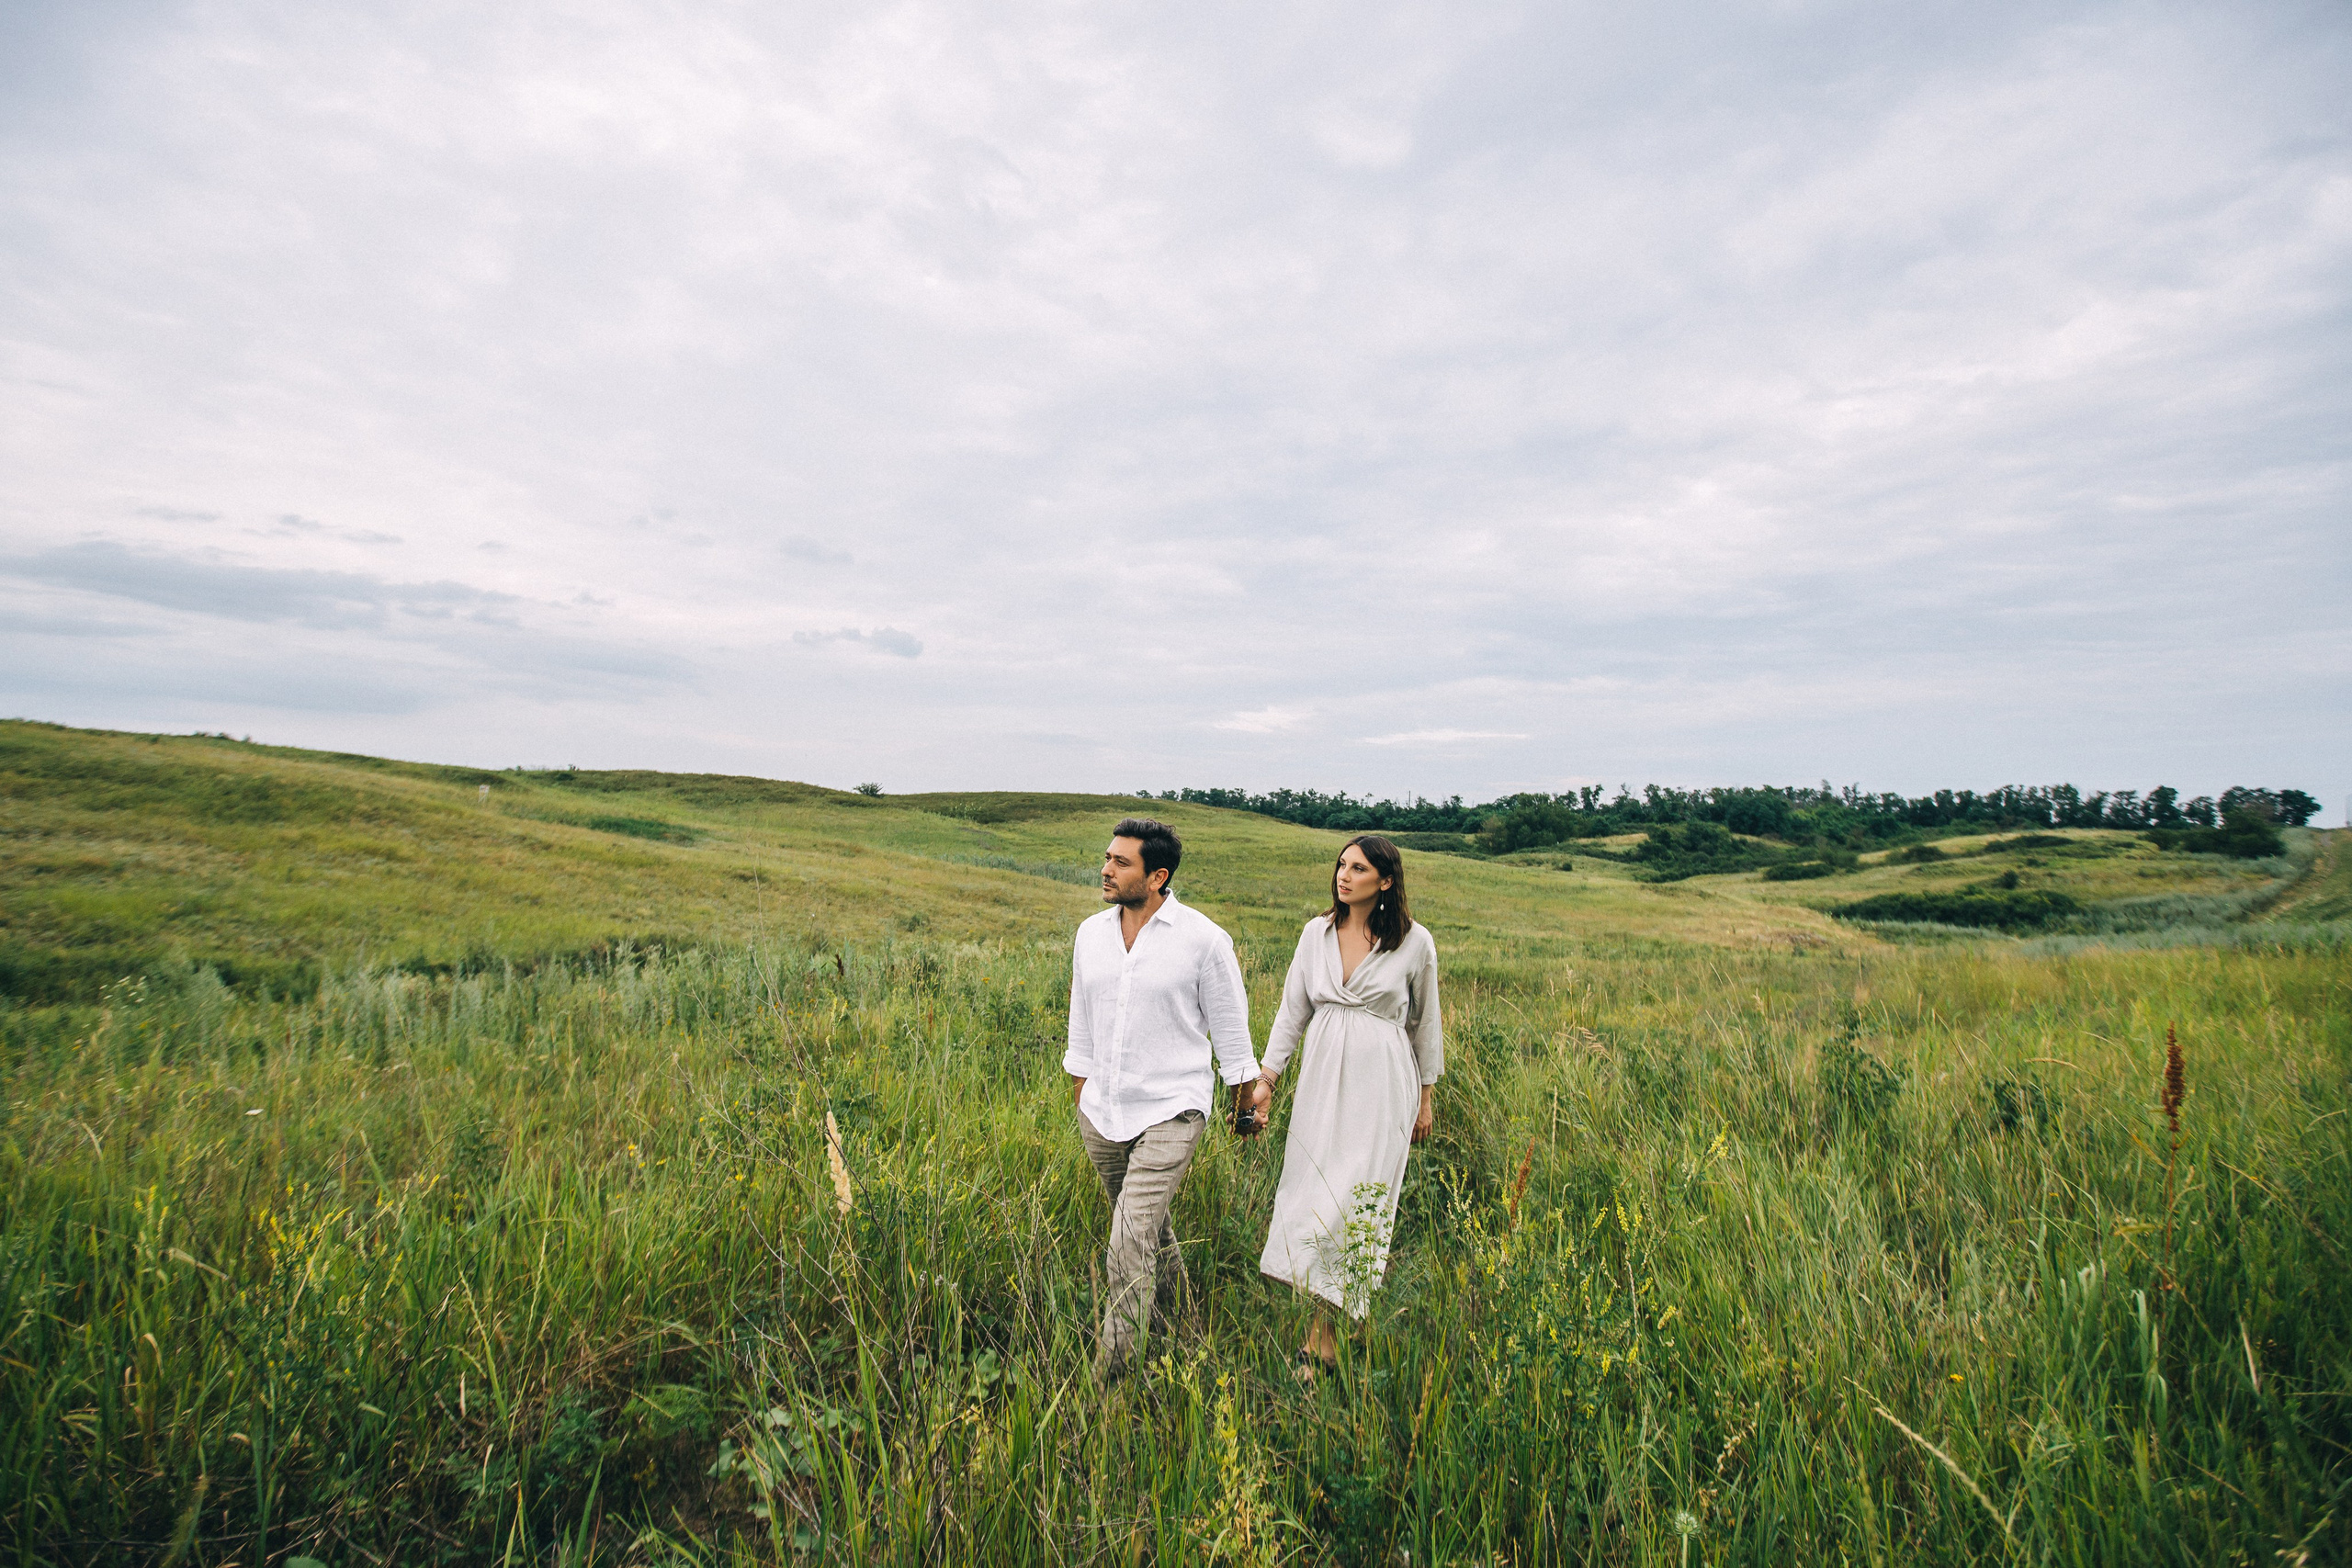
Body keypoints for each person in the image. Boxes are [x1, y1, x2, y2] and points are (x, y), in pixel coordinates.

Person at [1063, 817, 1270, 1381]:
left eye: (1120, 862)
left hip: (1174, 1109)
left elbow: (1231, 1032)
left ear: (1157, 876)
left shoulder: (1203, 939)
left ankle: (1113, 1380)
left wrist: (1244, 1104)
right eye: (1107, 858)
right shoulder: (1091, 933)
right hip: (1102, 1110)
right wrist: (1081, 1091)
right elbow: (1081, 1018)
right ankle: (1184, 1323)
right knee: (1144, 1226)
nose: (1106, 870)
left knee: (1128, 1239)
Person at [1253, 833, 1442, 1370]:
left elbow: (1425, 1024)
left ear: (1385, 881)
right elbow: (1292, 1012)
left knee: (1358, 1205)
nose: (1344, 875)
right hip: (1320, 1081)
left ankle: (1322, 1342)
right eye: (1341, 865)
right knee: (1312, 1197)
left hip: (1383, 1086)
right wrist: (1268, 1077)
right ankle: (1326, 1325)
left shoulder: (1414, 942)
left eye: (1358, 868)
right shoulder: (1316, 934)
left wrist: (1425, 1098)